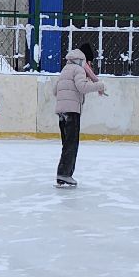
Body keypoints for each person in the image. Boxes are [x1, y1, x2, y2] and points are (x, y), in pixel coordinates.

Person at [53, 47, 105, 188]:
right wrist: (99, 85)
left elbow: (55, 90)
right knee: (71, 144)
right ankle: (64, 174)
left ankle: (62, 175)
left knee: (66, 144)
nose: (90, 66)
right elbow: (82, 87)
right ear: (85, 60)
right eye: (90, 62)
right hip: (72, 111)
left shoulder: (66, 68)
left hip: (61, 111)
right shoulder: (79, 69)